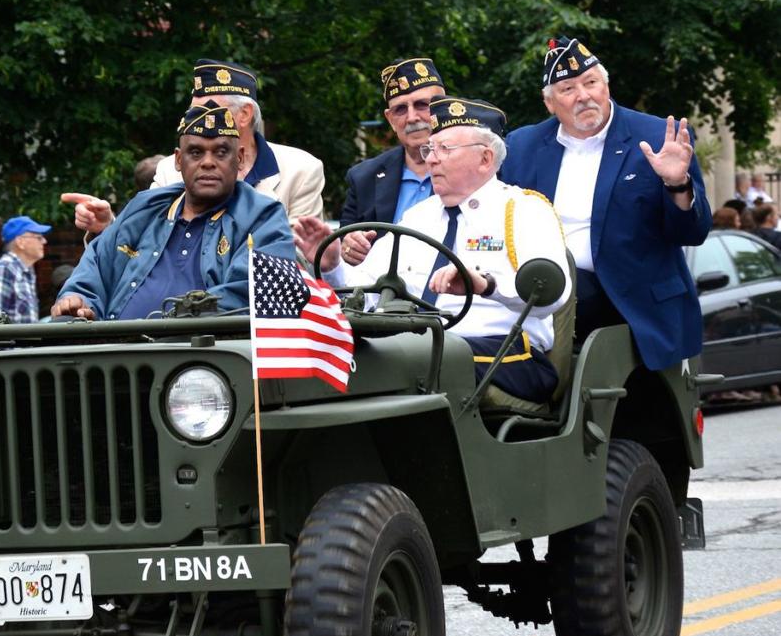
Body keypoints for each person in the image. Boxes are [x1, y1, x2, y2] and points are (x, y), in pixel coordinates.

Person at [303, 96, 571, 402]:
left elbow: (552, 296)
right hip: (417, 344)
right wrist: (332, 266)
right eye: (430, 149)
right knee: (342, 353)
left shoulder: (524, 210)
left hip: (506, 352)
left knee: (418, 360)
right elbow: (368, 294)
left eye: (445, 149)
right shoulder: (418, 217)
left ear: (485, 159)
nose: (430, 159)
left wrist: (485, 285)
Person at [499, 37, 710, 370]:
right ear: (550, 104)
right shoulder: (522, 147)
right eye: (567, 89)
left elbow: (692, 232)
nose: (583, 95)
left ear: (606, 86)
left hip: (637, 306)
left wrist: (676, 183)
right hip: (542, 299)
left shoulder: (656, 137)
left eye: (591, 82)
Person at [52, 100, 296, 320]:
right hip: (115, 355)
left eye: (221, 152)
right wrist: (78, 301)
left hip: (200, 358)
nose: (208, 162)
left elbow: (253, 294)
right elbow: (94, 266)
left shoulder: (262, 217)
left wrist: (180, 317)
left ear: (240, 158)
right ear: (179, 160)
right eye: (196, 152)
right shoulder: (144, 207)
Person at [66, 58, 326, 236]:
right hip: (184, 307)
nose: (196, 120)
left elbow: (302, 255)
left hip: (260, 310)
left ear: (244, 115)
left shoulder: (301, 170)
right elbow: (143, 236)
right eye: (194, 111)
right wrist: (107, 225)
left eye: (207, 110)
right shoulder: (170, 169)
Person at [338, 57, 448, 265]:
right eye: (400, 109)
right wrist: (350, 246)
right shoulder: (364, 178)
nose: (412, 117)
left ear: (442, 108)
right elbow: (345, 241)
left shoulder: (472, 168)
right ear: (389, 119)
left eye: (421, 105)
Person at [0, 215, 50, 323]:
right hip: (12, 341)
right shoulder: (3, 269)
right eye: (38, 237)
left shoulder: (26, 271)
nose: (44, 241)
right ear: (20, 242)